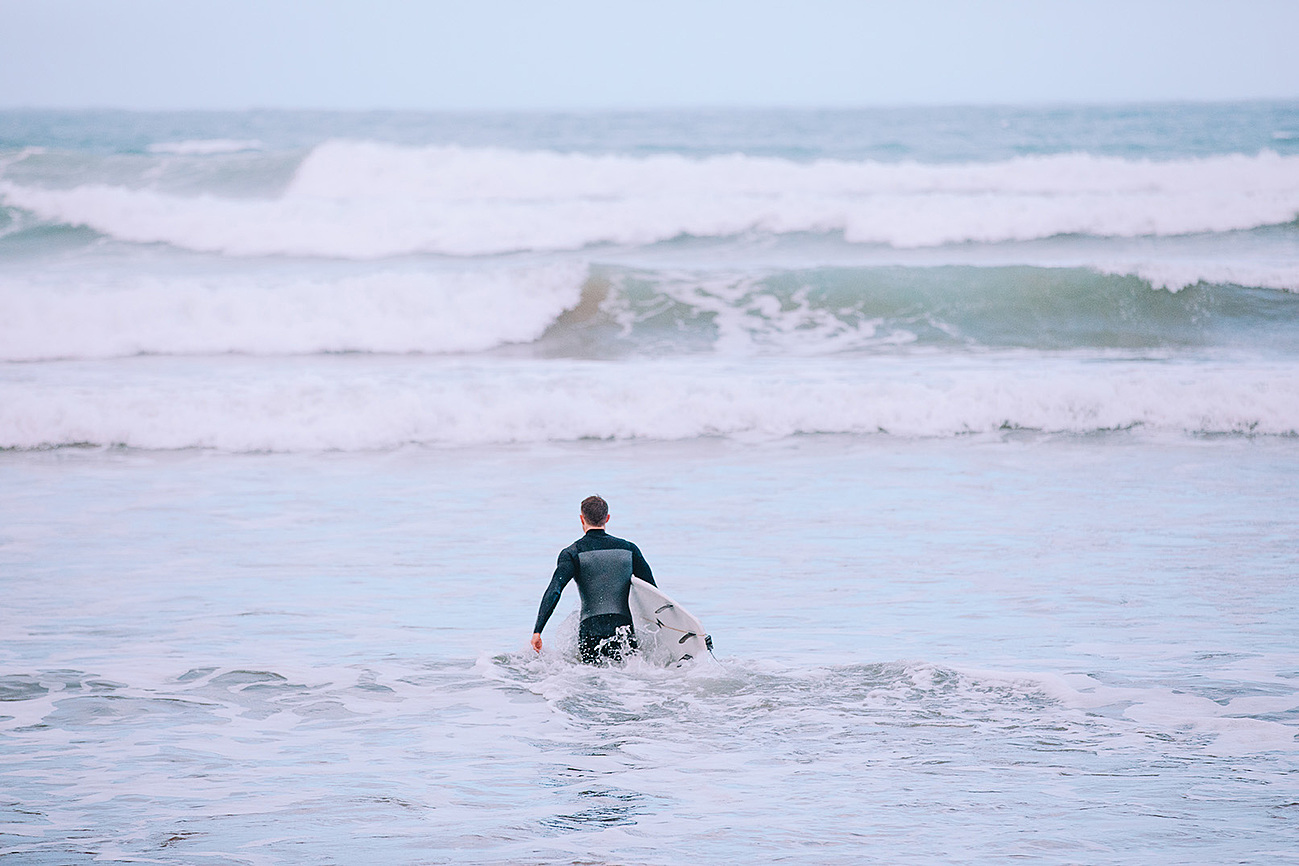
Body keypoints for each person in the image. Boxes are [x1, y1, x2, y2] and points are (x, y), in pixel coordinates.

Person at [531, 495, 655, 663]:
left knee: (591, 677)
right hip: (623, 629)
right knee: (626, 675)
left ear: (582, 518)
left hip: (590, 630)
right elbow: (651, 591)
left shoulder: (572, 553)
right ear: (607, 518)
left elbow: (555, 590)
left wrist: (538, 631)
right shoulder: (629, 549)